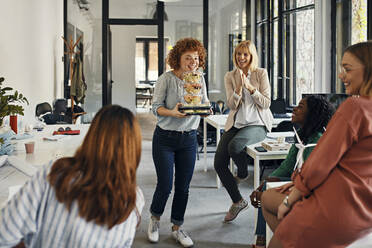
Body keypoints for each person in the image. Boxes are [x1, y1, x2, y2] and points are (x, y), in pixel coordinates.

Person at [261, 41, 372, 248]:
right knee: (268, 198)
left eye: (347, 69)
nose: (341, 75)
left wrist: (291, 197)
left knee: (273, 214)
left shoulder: (355, 108)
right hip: (364, 215)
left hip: (334, 211)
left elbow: (320, 164)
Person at [0, 105, 144, 247]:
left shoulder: (55, 174)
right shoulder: (134, 201)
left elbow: (4, 234)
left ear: (91, 136)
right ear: (134, 150)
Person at [249, 95, 335, 248]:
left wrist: (279, 187)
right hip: (298, 185)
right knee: (265, 189)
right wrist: (264, 183)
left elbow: (310, 182)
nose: (294, 108)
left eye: (300, 107)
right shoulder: (302, 136)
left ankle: (268, 241)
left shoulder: (316, 142)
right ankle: (264, 240)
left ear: (312, 115)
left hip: (313, 197)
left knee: (266, 196)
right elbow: (288, 167)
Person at [147, 37, 209, 248]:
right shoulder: (166, 79)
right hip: (165, 138)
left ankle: (177, 227)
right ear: (178, 58)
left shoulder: (199, 78)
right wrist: (173, 112)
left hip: (189, 139)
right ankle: (155, 220)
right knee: (165, 185)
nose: (193, 62)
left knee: (183, 187)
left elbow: (204, 102)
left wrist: (207, 109)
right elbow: (155, 107)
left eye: (196, 58)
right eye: (188, 58)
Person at [214, 40, 273, 222]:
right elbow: (231, 105)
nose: (241, 57)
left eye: (245, 54)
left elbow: (266, 102)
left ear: (251, 56)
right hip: (237, 124)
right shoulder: (230, 76)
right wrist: (239, 88)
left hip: (257, 124)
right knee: (219, 163)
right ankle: (238, 201)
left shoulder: (261, 73)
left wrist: (250, 87)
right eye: (238, 54)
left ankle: (242, 173)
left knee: (235, 146)